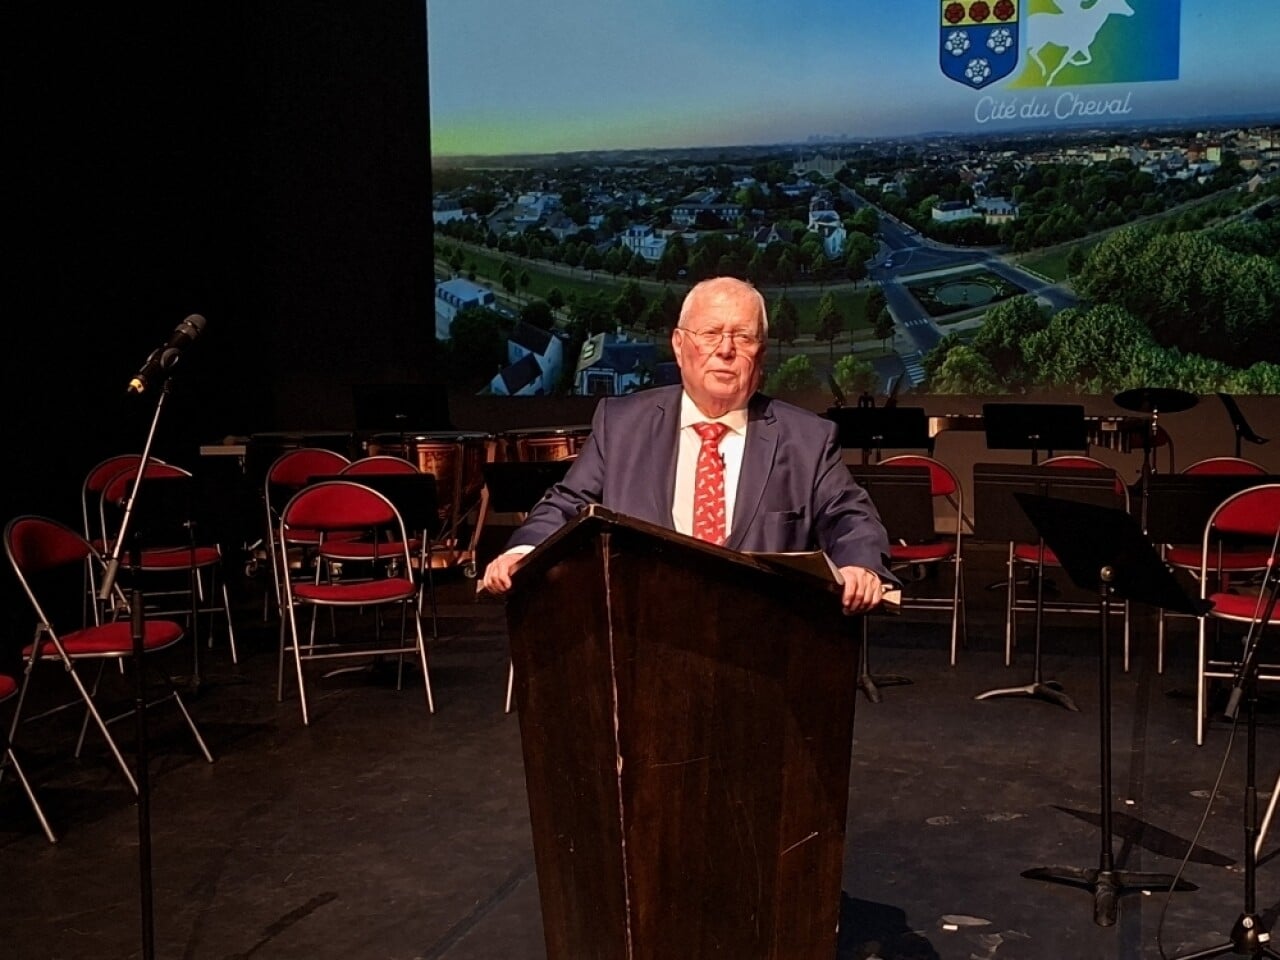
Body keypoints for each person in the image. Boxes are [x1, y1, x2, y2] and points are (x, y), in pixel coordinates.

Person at [481, 276, 893, 613]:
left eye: (743, 337)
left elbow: (850, 516)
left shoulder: (806, 437)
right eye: (711, 333)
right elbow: (567, 505)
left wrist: (859, 565)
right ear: (679, 345)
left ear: (761, 354)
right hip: (641, 636)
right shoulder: (621, 424)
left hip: (763, 650)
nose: (726, 350)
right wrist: (524, 550)